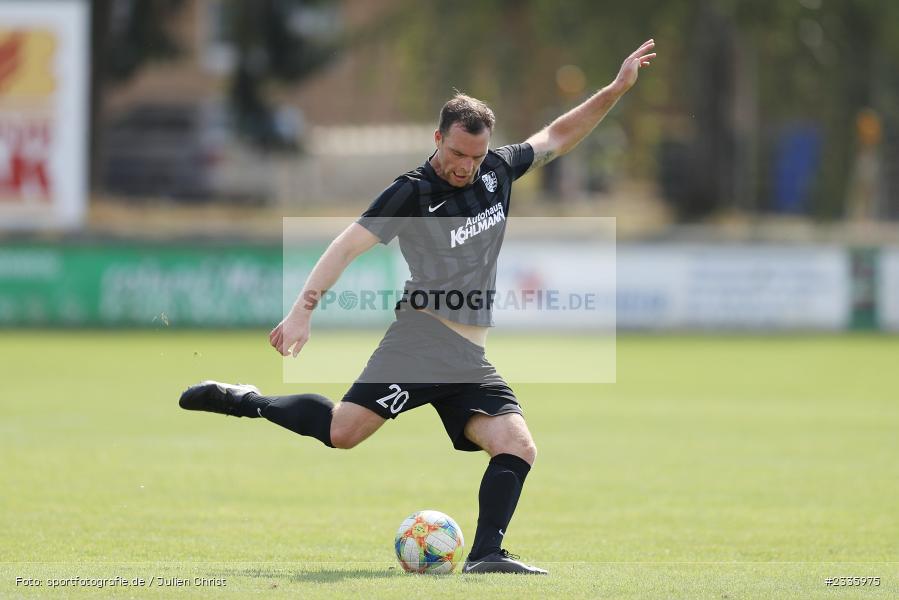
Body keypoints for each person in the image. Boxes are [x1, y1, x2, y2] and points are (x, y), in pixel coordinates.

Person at [180, 39, 655, 575]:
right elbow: (346, 247)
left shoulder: (498, 170)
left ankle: (486, 556)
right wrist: (302, 312)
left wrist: (615, 89)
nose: (465, 167)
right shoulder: (410, 193)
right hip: (423, 343)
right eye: (456, 154)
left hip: (469, 359)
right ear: (438, 139)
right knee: (343, 433)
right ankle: (248, 401)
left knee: (516, 445)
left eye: (475, 156)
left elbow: (559, 135)